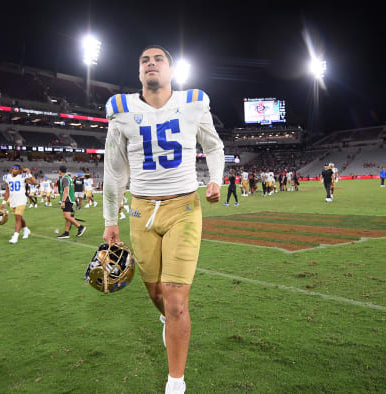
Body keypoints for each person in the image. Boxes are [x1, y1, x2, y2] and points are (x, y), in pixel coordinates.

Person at [102, 45, 224, 394]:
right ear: (139, 73)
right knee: (155, 291)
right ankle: (165, 316)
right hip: (140, 211)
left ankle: (176, 382)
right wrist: (111, 219)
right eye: (144, 60)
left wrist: (215, 177)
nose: (151, 64)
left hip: (184, 208)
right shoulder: (121, 109)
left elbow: (213, 146)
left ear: (171, 70)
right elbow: (114, 171)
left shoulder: (193, 102)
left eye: (158, 59)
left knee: (175, 298)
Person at [1, 165, 37, 244]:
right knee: (19, 218)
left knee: (17, 218)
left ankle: (15, 236)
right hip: (13, 201)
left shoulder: (22, 176)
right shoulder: (7, 177)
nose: (14, 170)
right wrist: (3, 203)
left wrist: (29, 173)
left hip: (21, 200)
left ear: (19, 170)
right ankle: (26, 229)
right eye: (13, 168)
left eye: (16, 169)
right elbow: (7, 192)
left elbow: (35, 183)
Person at [56, 165, 86, 239]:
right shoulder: (68, 177)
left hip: (67, 199)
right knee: (67, 217)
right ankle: (66, 233)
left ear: (59, 171)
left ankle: (80, 227)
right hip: (70, 199)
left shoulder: (65, 178)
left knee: (66, 216)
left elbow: (66, 190)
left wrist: (63, 201)